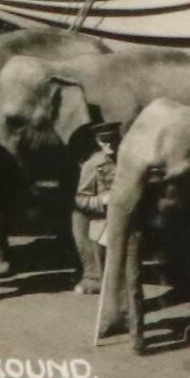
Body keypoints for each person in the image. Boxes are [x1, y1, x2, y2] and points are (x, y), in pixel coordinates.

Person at [74, 120, 122, 296]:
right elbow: (80, 200)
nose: (109, 145)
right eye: (104, 141)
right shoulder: (93, 165)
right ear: (97, 141)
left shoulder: (128, 159)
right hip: (102, 223)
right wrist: (103, 200)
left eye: (113, 139)